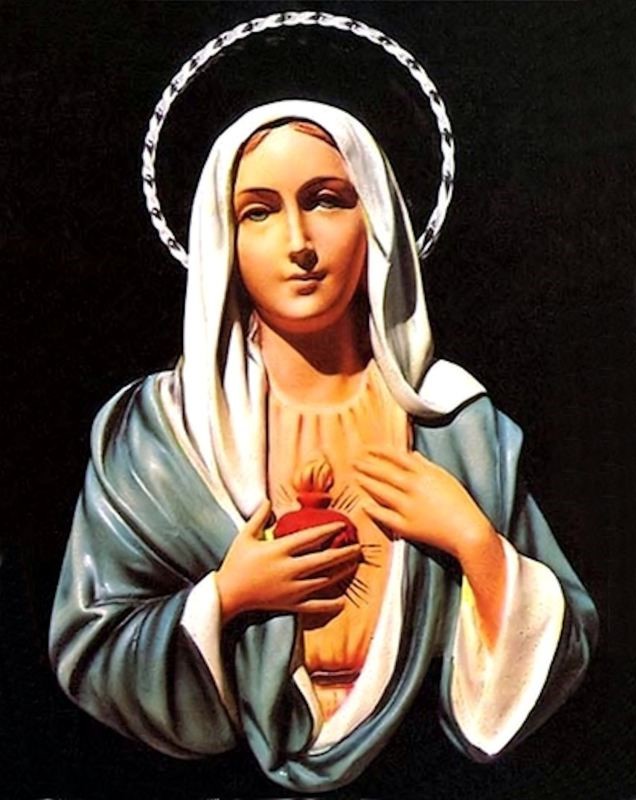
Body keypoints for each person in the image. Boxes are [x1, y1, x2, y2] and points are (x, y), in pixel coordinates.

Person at [49, 100, 598, 792]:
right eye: (258, 212)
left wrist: (473, 542)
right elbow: (89, 646)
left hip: (421, 779)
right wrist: (227, 597)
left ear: (378, 220)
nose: (298, 242)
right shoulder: (160, 432)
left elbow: (568, 647)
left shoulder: (454, 425)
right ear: (223, 240)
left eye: (326, 200)